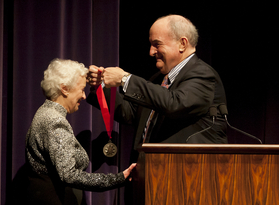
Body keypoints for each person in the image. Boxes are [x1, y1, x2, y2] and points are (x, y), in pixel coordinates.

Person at [86, 14, 228, 159]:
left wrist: (124, 78)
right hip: (152, 171)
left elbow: (175, 103)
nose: (151, 52)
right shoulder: (158, 79)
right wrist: (101, 85)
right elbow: (130, 113)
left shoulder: (203, 74)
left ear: (182, 44)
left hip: (188, 171)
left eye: (157, 44)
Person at [18, 59, 136, 205]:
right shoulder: (54, 121)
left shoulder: (45, 112)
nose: (84, 96)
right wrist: (119, 178)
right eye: (81, 89)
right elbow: (69, 175)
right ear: (64, 89)